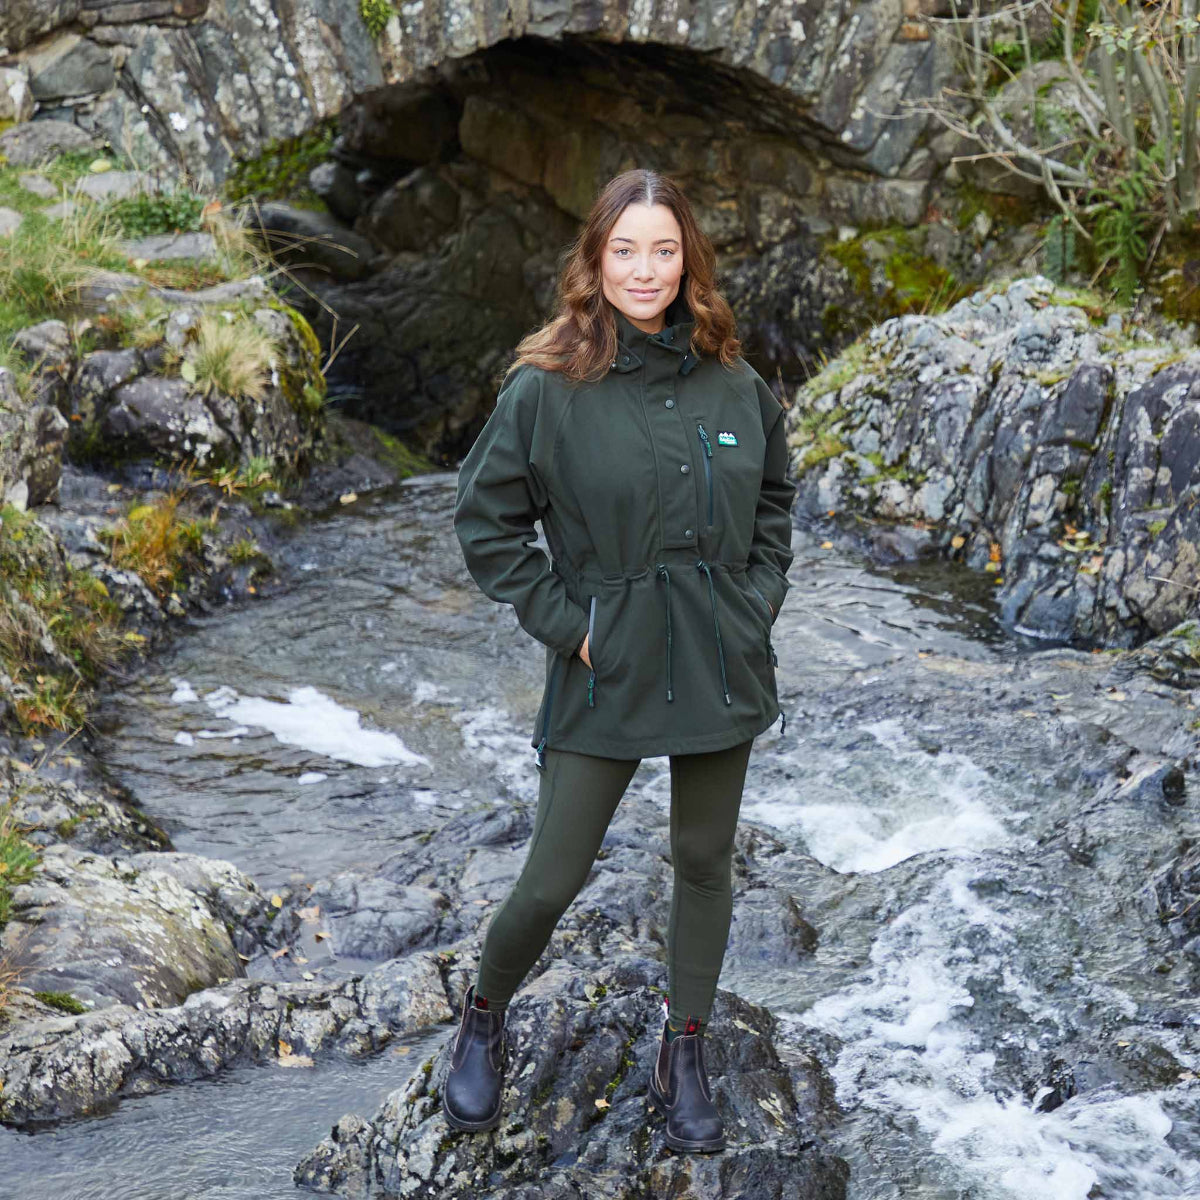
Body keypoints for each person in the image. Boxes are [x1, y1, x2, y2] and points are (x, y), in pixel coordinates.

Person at [447, 167, 796, 1152]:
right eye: (626, 250)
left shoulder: (736, 383)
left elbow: (775, 503)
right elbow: (485, 521)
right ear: (596, 260)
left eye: (664, 250)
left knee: (704, 860)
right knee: (553, 875)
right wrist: (572, 624)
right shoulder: (546, 388)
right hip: (607, 662)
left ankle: (684, 1052)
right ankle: (483, 1015)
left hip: (722, 656)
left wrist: (755, 604)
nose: (646, 270)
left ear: (690, 261)